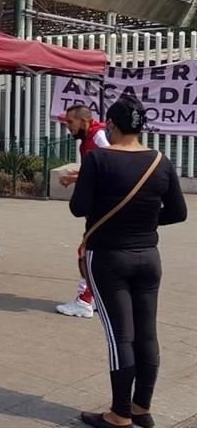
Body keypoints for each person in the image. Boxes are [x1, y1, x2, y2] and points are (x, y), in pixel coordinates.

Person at [70, 97, 186, 428]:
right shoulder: (161, 161)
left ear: (111, 125)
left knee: (120, 336)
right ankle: (140, 408)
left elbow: (79, 208)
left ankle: (119, 414)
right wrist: (144, 221)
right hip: (149, 256)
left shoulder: (99, 159)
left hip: (108, 256)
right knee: (146, 334)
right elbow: (178, 213)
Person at [57, 103, 111, 319]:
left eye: (70, 122)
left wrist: (75, 178)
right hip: (100, 206)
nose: (68, 127)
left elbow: (110, 166)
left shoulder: (99, 137)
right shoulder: (92, 137)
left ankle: (84, 300)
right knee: (97, 252)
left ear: (85, 121)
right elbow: (99, 169)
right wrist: (76, 177)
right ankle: (96, 297)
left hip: (103, 206)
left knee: (86, 252)